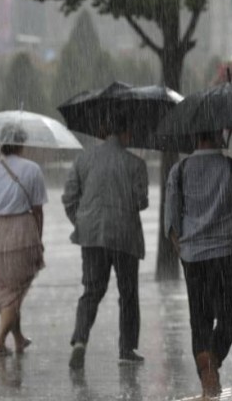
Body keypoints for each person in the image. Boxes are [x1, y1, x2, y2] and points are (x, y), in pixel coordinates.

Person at [164, 130, 232, 399]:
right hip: (228, 253)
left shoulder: (179, 171)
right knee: (230, 316)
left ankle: (207, 372)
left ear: (196, 137)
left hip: (194, 258)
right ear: (218, 135)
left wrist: (183, 251)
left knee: (200, 319)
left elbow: (171, 221)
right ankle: (212, 363)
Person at [63, 128, 149, 369]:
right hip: (125, 236)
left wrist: (83, 222)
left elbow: (69, 198)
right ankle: (127, 348)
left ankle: (80, 339)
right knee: (128, 293)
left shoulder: (83, 159)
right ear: (126, 134)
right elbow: (141, 201)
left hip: (92, 237)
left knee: (91, 290)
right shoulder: (135, 163)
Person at [0, 124, 47, 356]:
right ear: (21, 143)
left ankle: (18, 338)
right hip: (21, 232)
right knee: (15, 291)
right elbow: (37, 209)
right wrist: (39, 237)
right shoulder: (32, 169)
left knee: (8, 289)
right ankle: (0, 338)